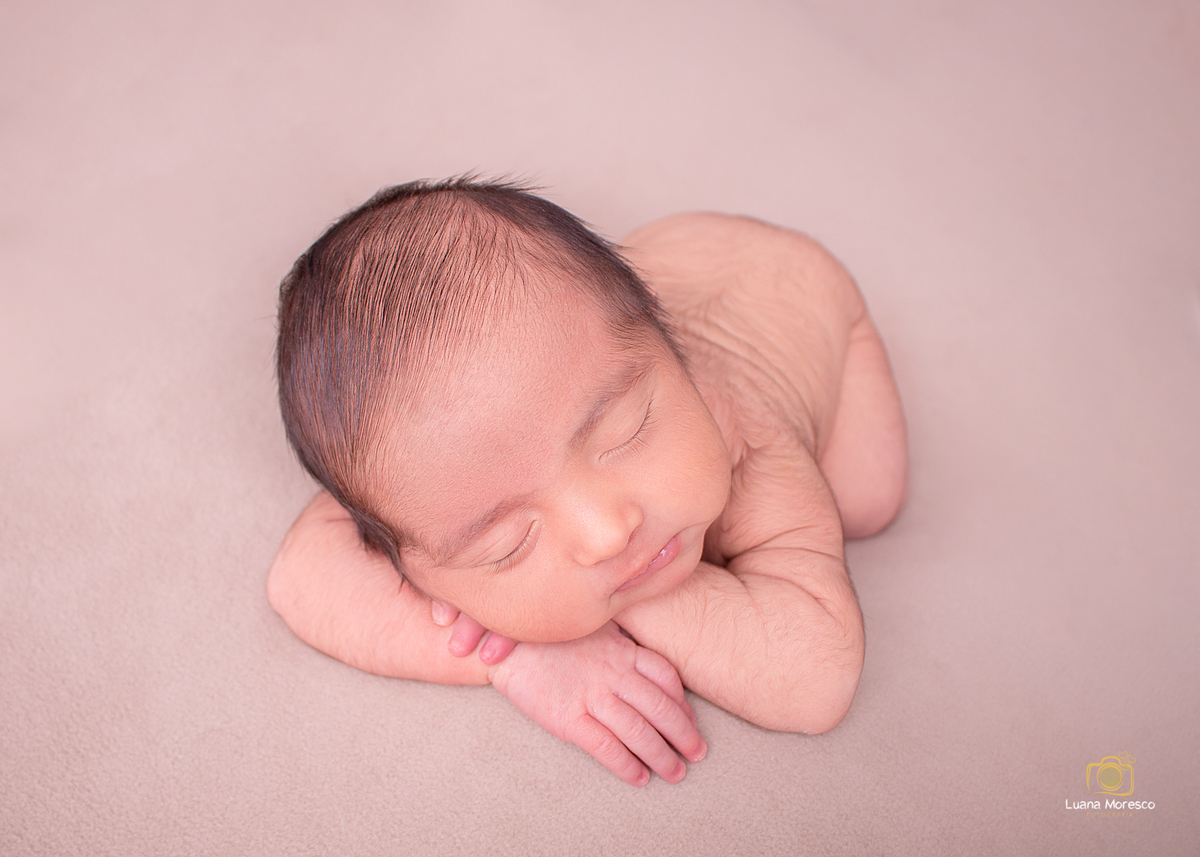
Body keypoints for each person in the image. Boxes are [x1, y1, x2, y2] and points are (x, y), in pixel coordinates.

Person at [268, 178, 908, 786]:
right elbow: (300, 576)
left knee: (865, 499)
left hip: (811, 297)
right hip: (647, 276)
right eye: (508, 544)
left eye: (625, 433)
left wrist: (571, 612)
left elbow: (812, 680)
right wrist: (515, 656)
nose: (607, 534)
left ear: (673, 355)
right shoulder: (437, 460)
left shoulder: (754, 447)